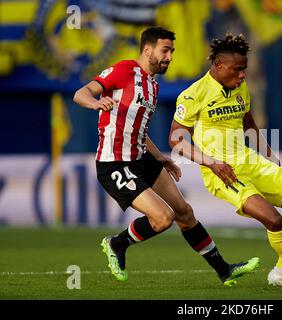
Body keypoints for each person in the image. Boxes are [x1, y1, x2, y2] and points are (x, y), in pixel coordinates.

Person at [72, 26, 259, 286]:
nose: (170, 56)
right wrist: (94, 103)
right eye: (165, 50)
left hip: (142, 159)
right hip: (114, 163)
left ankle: (224, 269)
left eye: (172, 50)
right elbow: (81, 93)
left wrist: (160, 156)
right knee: (162, 218)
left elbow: (138, 130)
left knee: (184, 211)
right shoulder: (124, 70)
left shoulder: (152, 86)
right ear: (147, 50)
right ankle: (116, 244)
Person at [169, 32, 282, 291]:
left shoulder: (240, 88)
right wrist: (211, 163)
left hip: (251, 162)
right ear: (219, 65)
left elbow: (249, 126)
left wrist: (270, 157)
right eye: (237, 70)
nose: (242, 75)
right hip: (223, 173)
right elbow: (177, 140)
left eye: (244, 70)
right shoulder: (193, 95)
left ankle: (281, 272)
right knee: (274, 220)